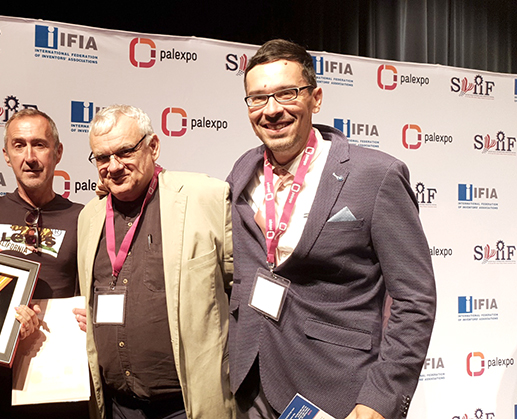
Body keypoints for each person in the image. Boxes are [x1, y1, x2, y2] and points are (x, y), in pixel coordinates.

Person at [225, 39, 436, 419]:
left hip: (336, 390)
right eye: (257, 98)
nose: (271, 110)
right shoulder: (243, 170)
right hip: (251, 383)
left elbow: (414, 299)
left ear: (316, 98)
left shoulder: (376, 175)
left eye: (287, 93)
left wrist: (381, 398)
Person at [77, 104, 234, 419]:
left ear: (153, 147)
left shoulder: (206, 197)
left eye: (125, 151)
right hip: (117, 406)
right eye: (103, 157)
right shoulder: (89, 216)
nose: (114, 166)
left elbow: (242, 292)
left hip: (186, 406)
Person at [0, 109, 88, 418]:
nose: (30, 157)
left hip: (60, 374)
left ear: (57, 152)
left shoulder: (83, 216)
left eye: (40, 144)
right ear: (6, 155)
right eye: (19, 145)